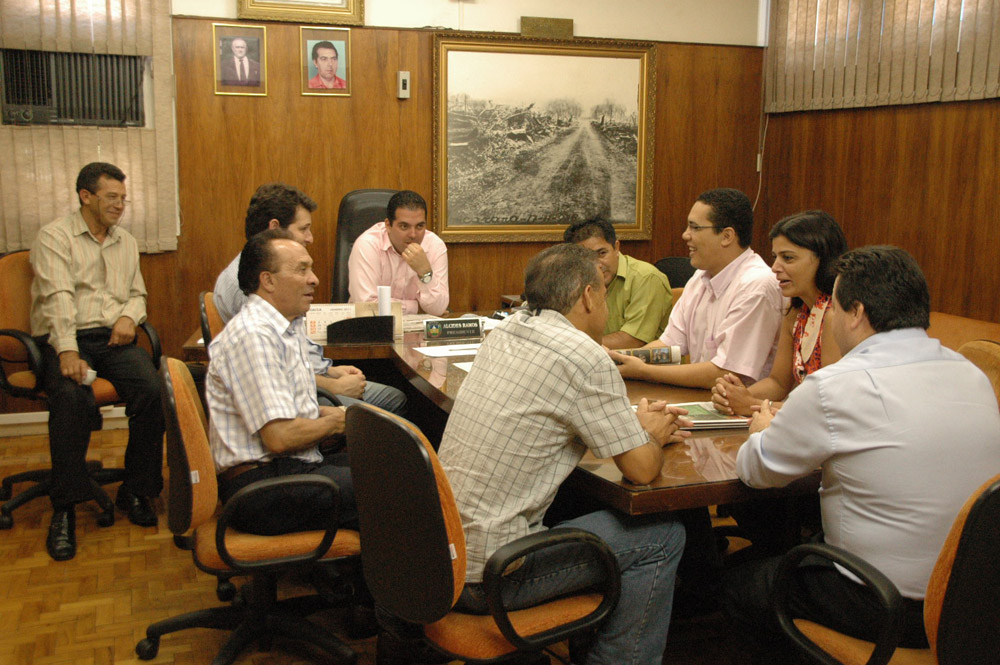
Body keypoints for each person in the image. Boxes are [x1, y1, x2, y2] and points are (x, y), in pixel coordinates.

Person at [723, 246, 1000, 664]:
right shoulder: (973, 376)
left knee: (737, 586)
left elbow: (755, 473)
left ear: (856, 312)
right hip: (973, 604)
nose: (830, 319)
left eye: (833, 308)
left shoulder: (834, 387)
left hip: (887, 604)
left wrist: (763, 432)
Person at [437, 244, 689, 665]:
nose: (605, 308)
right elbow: (642, 470)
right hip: (493, 576)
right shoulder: (584, 356)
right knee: (663, 535)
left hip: (442, 554)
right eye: (604, 297)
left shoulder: (506, 332)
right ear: (588, 295)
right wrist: (650, 434)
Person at [30, 162, 164, 561]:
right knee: (71, 399)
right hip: (65, 338)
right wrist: (67, 350)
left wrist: (129, 317)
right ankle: (65, 509)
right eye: (111, 197)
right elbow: (58, 299)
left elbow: (137, 294)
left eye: (123, 198)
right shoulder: (55, 237)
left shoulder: (125, 241)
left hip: (114, 339)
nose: (120, 205)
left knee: (154, 390)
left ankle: (136, 490)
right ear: (85, 196)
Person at [206, 230, 356, 535]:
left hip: (287, 468)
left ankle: (361, 576)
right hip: (260, 488)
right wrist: (340, 421)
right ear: (268, 281)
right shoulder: (254, 335)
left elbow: (289, 414)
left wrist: (326, 417)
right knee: (394, 488)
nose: (314, 278)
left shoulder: (284, 327)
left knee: (391, 465)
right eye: (302, 269)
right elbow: (281, 437)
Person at [214, 182, 405, 414]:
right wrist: (333, 385)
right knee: (399, 416)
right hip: (301, 396)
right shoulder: (249, 287)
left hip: (314, 379)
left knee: (396, 398)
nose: (310, 238)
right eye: (304, 229)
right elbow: (279, 375)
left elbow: (291, 350)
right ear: (274, 228)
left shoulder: (265, 276)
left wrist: (330, 370)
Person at [612, 188, 783, 389]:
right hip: (703, 399)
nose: (685, 235)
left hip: (745, 411)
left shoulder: (757, 286)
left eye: (694, 228)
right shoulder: (700, 276)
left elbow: (725, 373)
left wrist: (643, 370)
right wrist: (617, 360)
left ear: (727, 236)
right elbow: (669, 347)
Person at [711, 210, 848, 415]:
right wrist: (737, 395)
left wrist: (751, 405)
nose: (775, 267)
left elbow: (828, 406)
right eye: (775, 257)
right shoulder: (795, 311)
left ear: (823, 260)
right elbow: (778, 382)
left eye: (788, 258)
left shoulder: (834, 315)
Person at [564, 217, 673, 349]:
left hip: (647, 366)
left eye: (602, 253)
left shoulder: (647, 277)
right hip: (597, 360)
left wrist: (577, 347)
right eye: (586, 258)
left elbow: (633, 341)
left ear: (616, 248)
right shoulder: (572, 281)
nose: (597, 264)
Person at [348, 190, 449, 316]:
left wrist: (425, 273)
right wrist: (417, 308)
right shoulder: (367, 244)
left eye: (419, 226)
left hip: (419, 334)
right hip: (374, 332)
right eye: (404, 226)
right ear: (388, 225)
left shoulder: (435, 245)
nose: (413, 235)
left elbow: (438, 309)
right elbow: (367, 308)